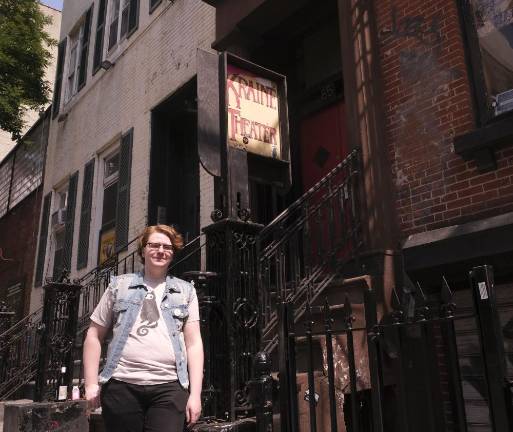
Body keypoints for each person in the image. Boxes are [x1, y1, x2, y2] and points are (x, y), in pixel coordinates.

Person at [83, 225, 203, 431]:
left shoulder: (185, 292)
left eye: (167, 247)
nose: (160, 250)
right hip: (122, 385)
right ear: (143, 250)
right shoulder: (118, 286)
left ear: (173, 253)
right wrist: (91, 383)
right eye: (154, 245)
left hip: (169, 388)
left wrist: (195, 394)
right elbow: (94, 335)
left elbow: (194, 344)